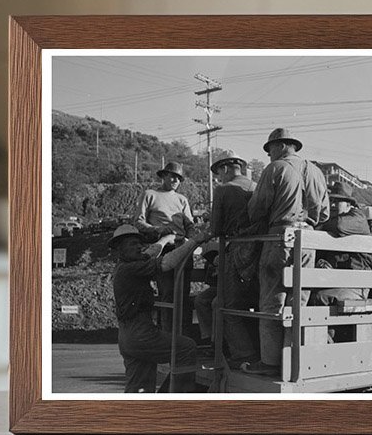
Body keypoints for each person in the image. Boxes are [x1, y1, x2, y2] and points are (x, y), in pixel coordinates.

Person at [244, 127, 329, 376]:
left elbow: (257, 208)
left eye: (270, 149)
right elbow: (324, 213)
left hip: (280, 236)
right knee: (298, 302)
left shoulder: (276, 168)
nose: (269, 154)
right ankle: (295, 359)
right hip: (309, 240)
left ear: (280, 146)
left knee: (272, 300)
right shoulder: (316, 171)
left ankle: (270, 363)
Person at [108, 223, 206, 393]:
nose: (139, 247)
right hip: (140, 332)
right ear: (119, 250)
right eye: (133, 244)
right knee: (186, 347)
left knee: (139, 387)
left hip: (127, 336)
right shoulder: (130, 269)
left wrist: (169, 238)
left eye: (139, 243)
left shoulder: (126, 264)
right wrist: (195, 241)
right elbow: (166, 263)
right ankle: (179, 401)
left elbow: (151, 252)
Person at [206, 150, 260, 365]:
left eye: (219, 173)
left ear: (225, 168)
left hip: (237, 251)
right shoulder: (256, 187)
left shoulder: (223, 190)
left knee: (225, 304)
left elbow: (216, 227)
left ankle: (242, 354)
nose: (218, 178)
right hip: (261, 251)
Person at [136, 161, 195, 330]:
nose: (175, 180)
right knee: (167, 293)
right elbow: (138, 221)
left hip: (182, 249)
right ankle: (167, 333)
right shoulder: (150, 195)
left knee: (183, 294)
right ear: (163, 176)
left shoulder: (182, 200)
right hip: (164, 249)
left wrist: (192, 241)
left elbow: (190, 225)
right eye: (172, 176)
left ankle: (183, 334)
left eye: (178, 178)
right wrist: (158, 230)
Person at [310, 181, 372, 337]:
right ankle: (325, 343)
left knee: (320, 298)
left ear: (349, 204)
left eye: (337, 201)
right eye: (330, 200)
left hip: (358, 286)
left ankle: (324, 345)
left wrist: (317, 225)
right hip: (339, 282)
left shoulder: (357, 217)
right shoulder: (332, 222)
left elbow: (339, 225)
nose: (332, 205)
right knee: (307, 295)